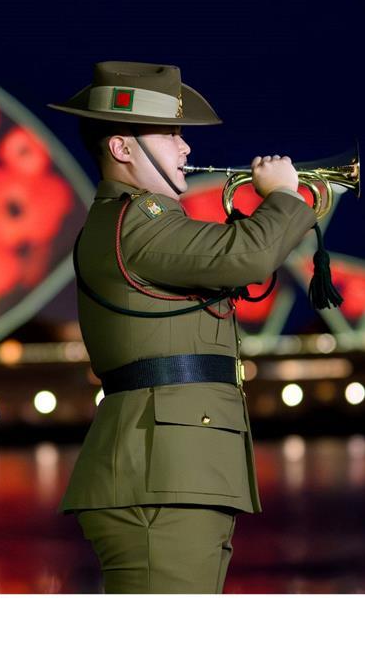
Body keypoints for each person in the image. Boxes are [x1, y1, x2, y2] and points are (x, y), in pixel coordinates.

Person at [47, 61, 319, 593]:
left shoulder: (141, 222)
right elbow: (249, 256)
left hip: (177, 472)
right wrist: (285, 196)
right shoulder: (138, 220)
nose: (185, 147)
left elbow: (225, 260)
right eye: (170, 134)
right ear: (123, 149)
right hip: (161, 477)